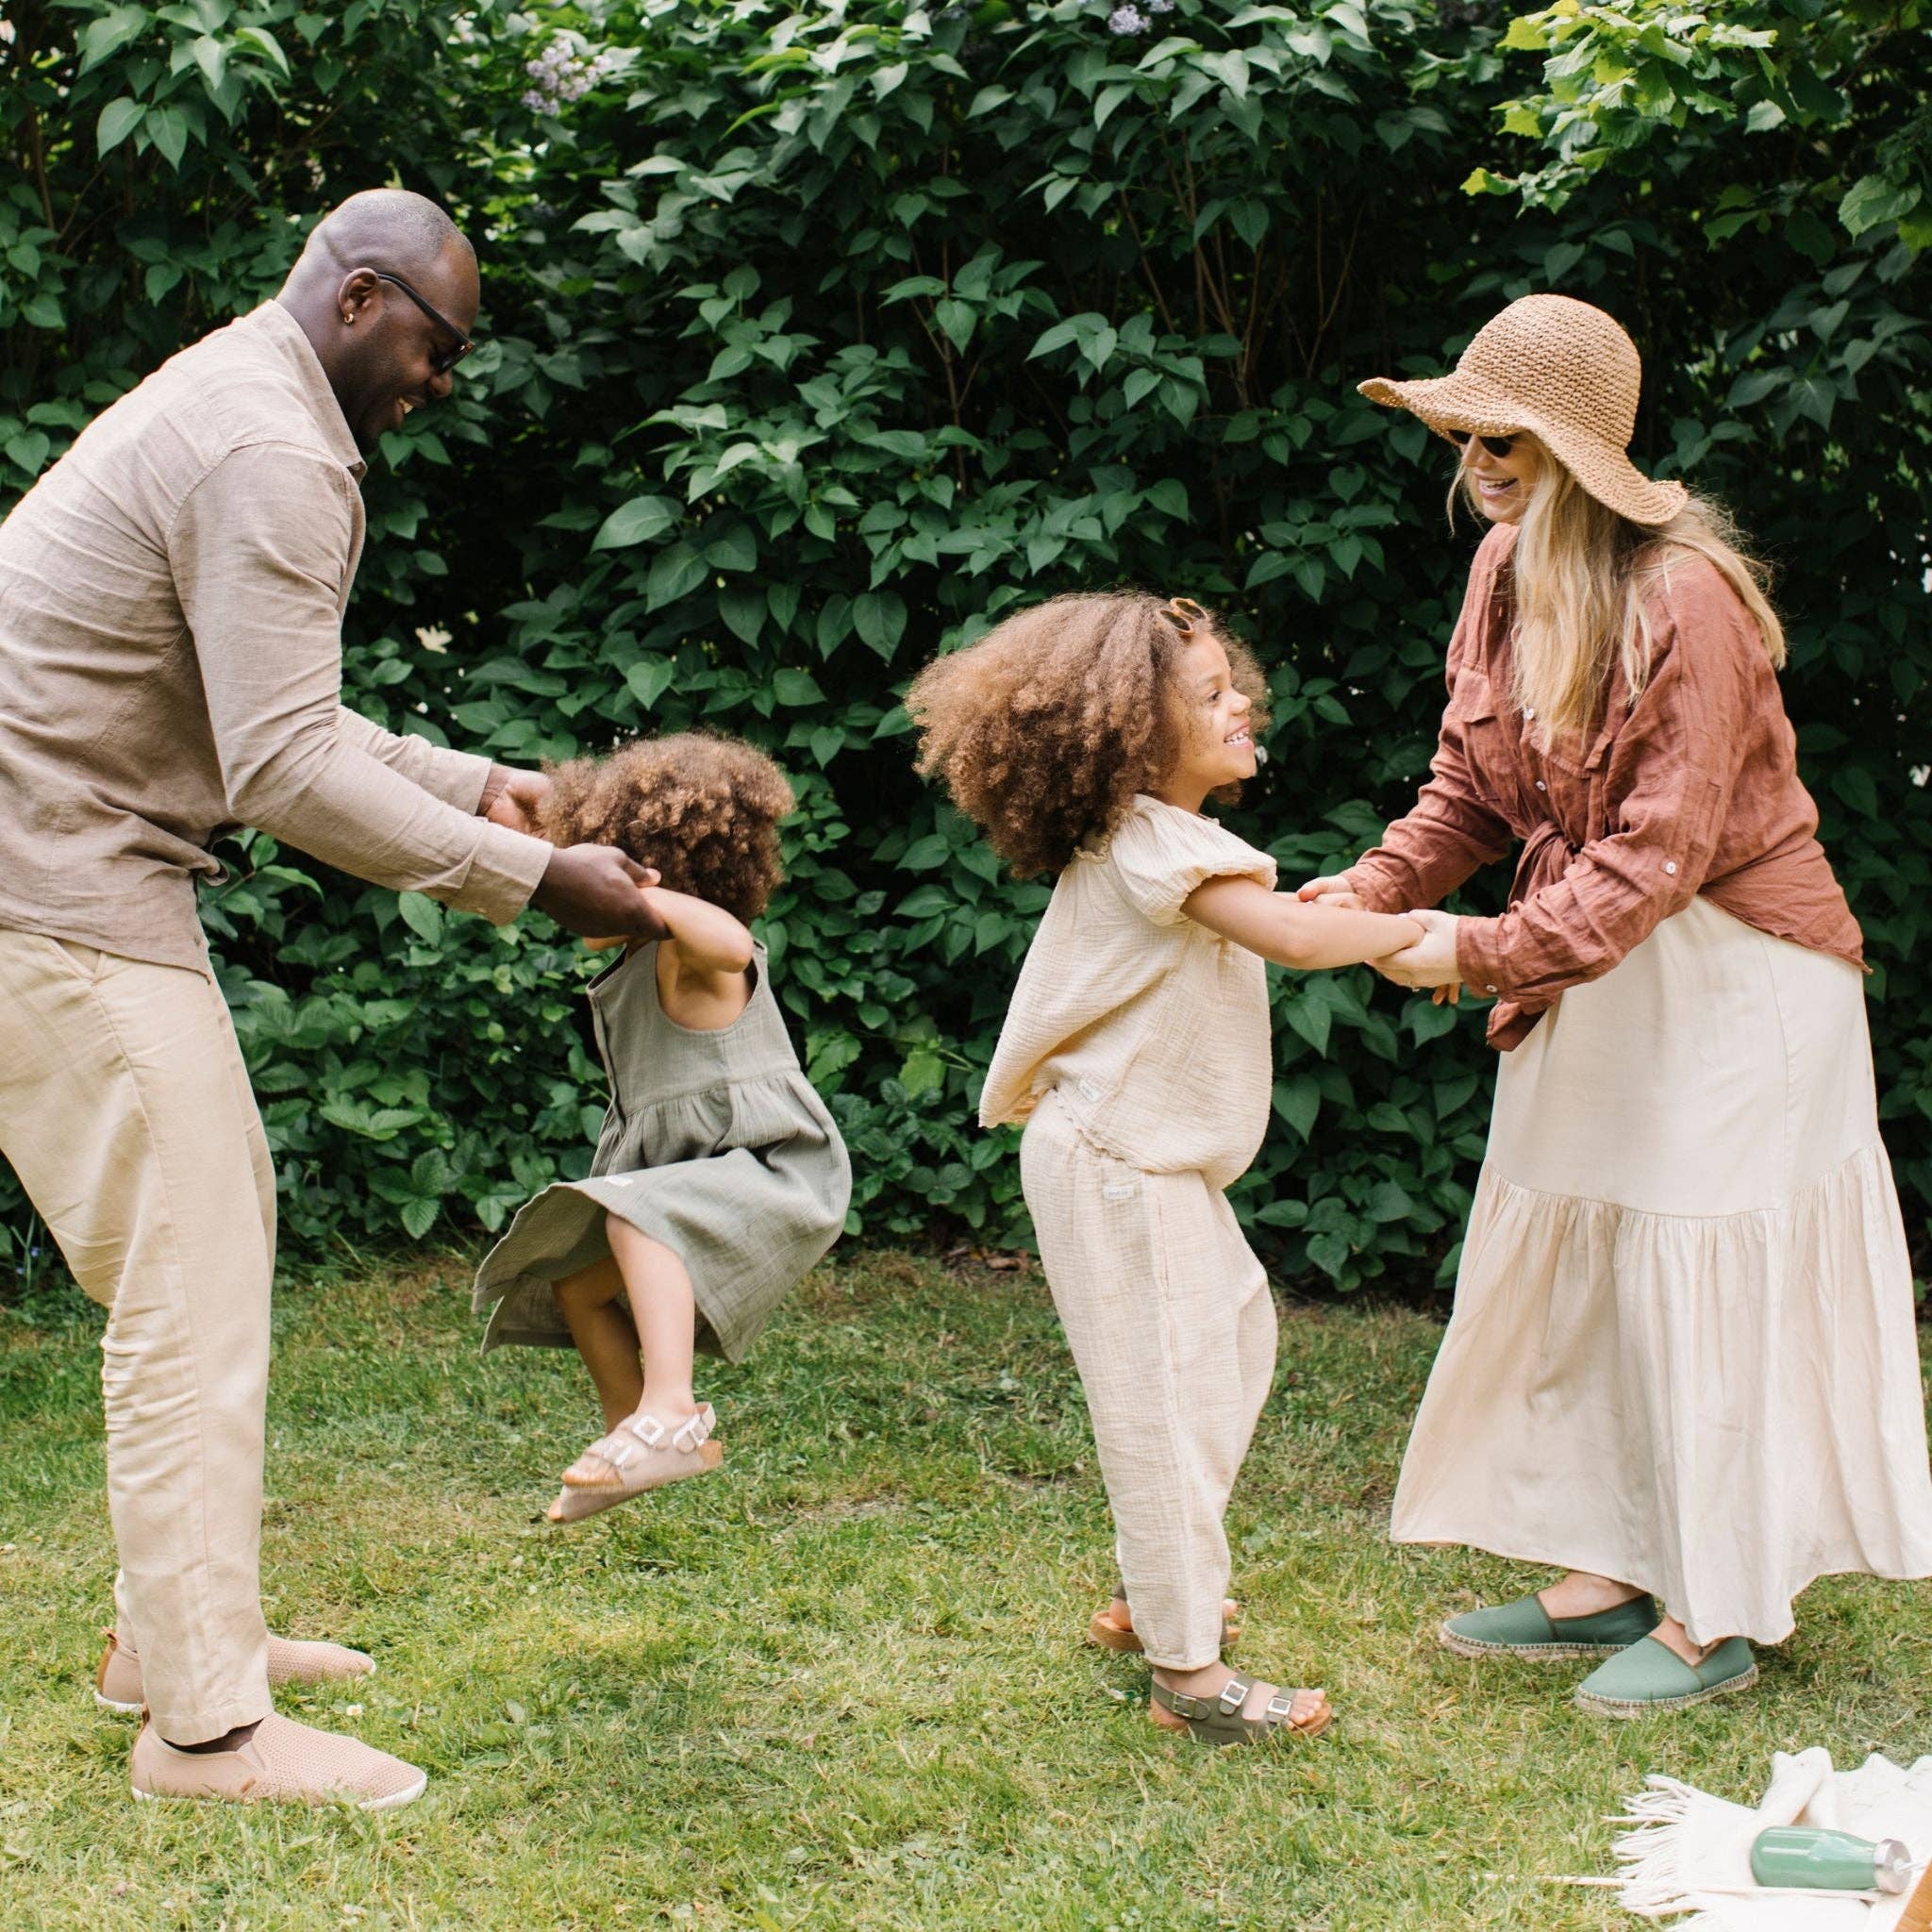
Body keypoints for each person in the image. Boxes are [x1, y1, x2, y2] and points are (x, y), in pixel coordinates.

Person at [0, 189, 664, 1807]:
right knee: (191, 1287)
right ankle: (204, 1732)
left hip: (54, 869)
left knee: (189, 1277)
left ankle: (171, 1646)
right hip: (55, 885)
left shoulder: (234, 393)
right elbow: (281, 766)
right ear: (362, 298)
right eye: (438, 341)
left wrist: (479, 782)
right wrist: (532, 879)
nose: (443, 378)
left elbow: (285, 710)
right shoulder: (273, 451)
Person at [1301, 292, 1932, 1715]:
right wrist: (1380, 885)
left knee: (1698, 1276)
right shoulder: (1507, 572)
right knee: (1591, 1273)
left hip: (1735, 978)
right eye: (1468, 429)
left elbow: (1660, 854)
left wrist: (1470, 953)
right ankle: (1600, 1575)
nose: (1482, 457)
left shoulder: (1685, 598)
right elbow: (1468, 786)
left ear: (1580, 446)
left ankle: (1717, 1614)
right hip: (1594, 960)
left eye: (1508, 433)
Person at [909, 592, 1424, 1746]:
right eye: (1209, 695)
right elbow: (1293, 940)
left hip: (1139, 1164)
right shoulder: (1156, 840)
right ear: (1130, 740)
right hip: (1114, 1165)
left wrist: (1342, 908)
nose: (1242, 698)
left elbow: (1269, 918)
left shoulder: (1159, 845)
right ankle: (1186, 1672)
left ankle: (1156, 1590)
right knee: (1160, 1400)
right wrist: (1413, 929)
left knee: (1232, 1339)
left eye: (1231, 680)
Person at [473, 733, 851, 1524]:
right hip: (705, 1176)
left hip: (778, 1170)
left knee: (633, 1219)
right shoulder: (637, 968)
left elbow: (729, 939)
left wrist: (644, 895)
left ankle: (672, 1410)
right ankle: (627, 1445)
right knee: (581, 1288)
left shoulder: (691, 956)